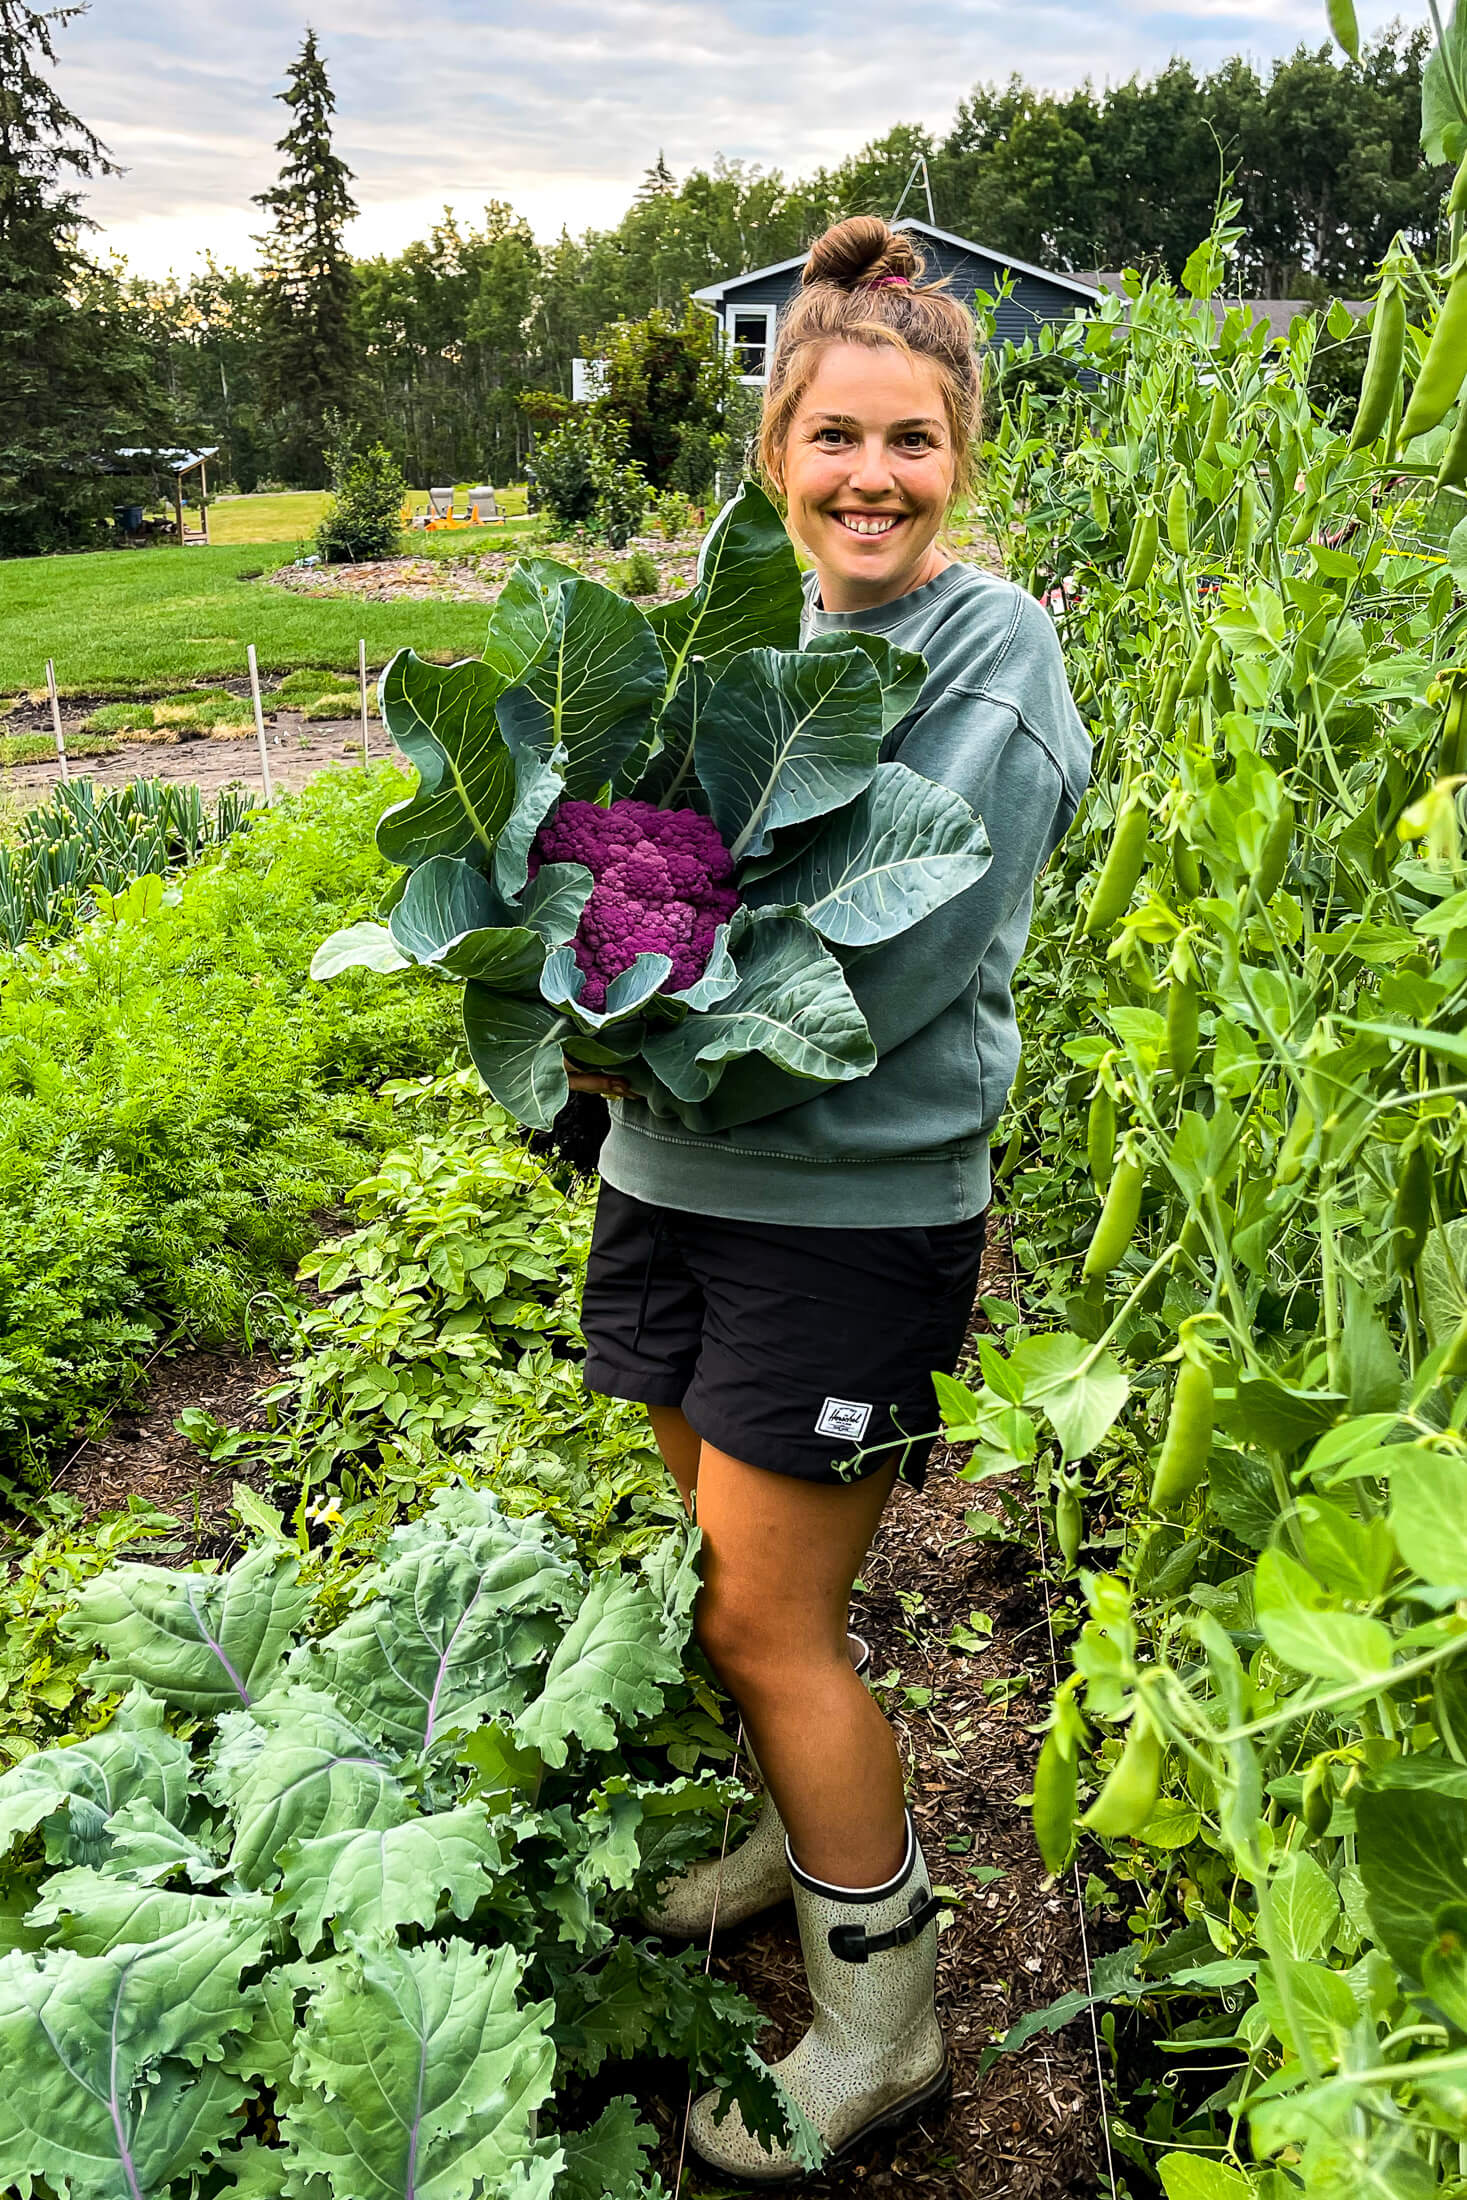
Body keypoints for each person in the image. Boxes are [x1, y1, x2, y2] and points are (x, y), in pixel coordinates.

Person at [568, 214, 1091, 2183]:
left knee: (770, 1619)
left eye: (908, 439)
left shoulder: (987, 649)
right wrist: (575, 977)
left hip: (848, 1212)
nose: (868, 474)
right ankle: (802, 1847)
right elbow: (616, 864)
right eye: (832, 437)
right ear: (775, 455)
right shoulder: (759, 644)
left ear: (958, 455)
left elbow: (889, 960)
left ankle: (882, 2013)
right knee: (725, 1590)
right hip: (672, 1181)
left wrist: (635, 1008)